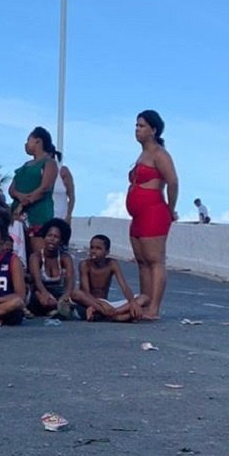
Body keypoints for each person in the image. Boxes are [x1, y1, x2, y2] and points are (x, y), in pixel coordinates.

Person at [125, 109, 178, 320]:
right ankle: (145, 302)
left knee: (155, 260)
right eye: (137, 126)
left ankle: (154, 307)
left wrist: (170, 208)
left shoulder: (159, 154)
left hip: (153, 212)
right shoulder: (142, 155)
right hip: (138, 215)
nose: (137, 130)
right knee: (142, 260)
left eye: (142, 126)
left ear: (153, 130)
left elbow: (172, 182)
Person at [71, 234, 146, 321]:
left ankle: (113, 314)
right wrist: (100, 304)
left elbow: (124, 287)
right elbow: (86, 292)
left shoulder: (112, 263)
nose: (94, 251)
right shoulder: (85, 265)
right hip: (90, 302)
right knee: (75, 293)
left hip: (107, 305)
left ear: (107, 252)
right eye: (92, 248)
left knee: (144, 298)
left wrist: (133, 303)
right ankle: (115, 316)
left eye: (98, 248)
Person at [9, 126, 59, 255]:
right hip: (17, 216)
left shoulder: (49, 163)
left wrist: (25, 202)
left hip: (38, 215)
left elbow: (45, 187)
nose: (26, 144)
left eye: (28, 140)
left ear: (38, 141)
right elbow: (11, 189)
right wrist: (20, 196)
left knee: (38, 255)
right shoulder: (24, 166)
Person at [27, 216, 75, 318]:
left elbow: (70, 280)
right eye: (49, 235)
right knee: (43, 300)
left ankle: (57, 309)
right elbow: (37, 281)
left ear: (61, 241)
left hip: (58, 293)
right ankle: (58, 309)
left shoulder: (65, 258)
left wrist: (66, 296)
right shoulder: (36, 257)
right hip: (40, 292)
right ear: (44, 237)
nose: (52, 239)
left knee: (76, 295)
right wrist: (45, 294)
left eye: (56, 237)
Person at [52, 152, 75, 222]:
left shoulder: (63, 171)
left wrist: (68, 215)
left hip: (61, 216)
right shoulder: (39, 172)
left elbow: (71, 197)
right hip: (44, 217)